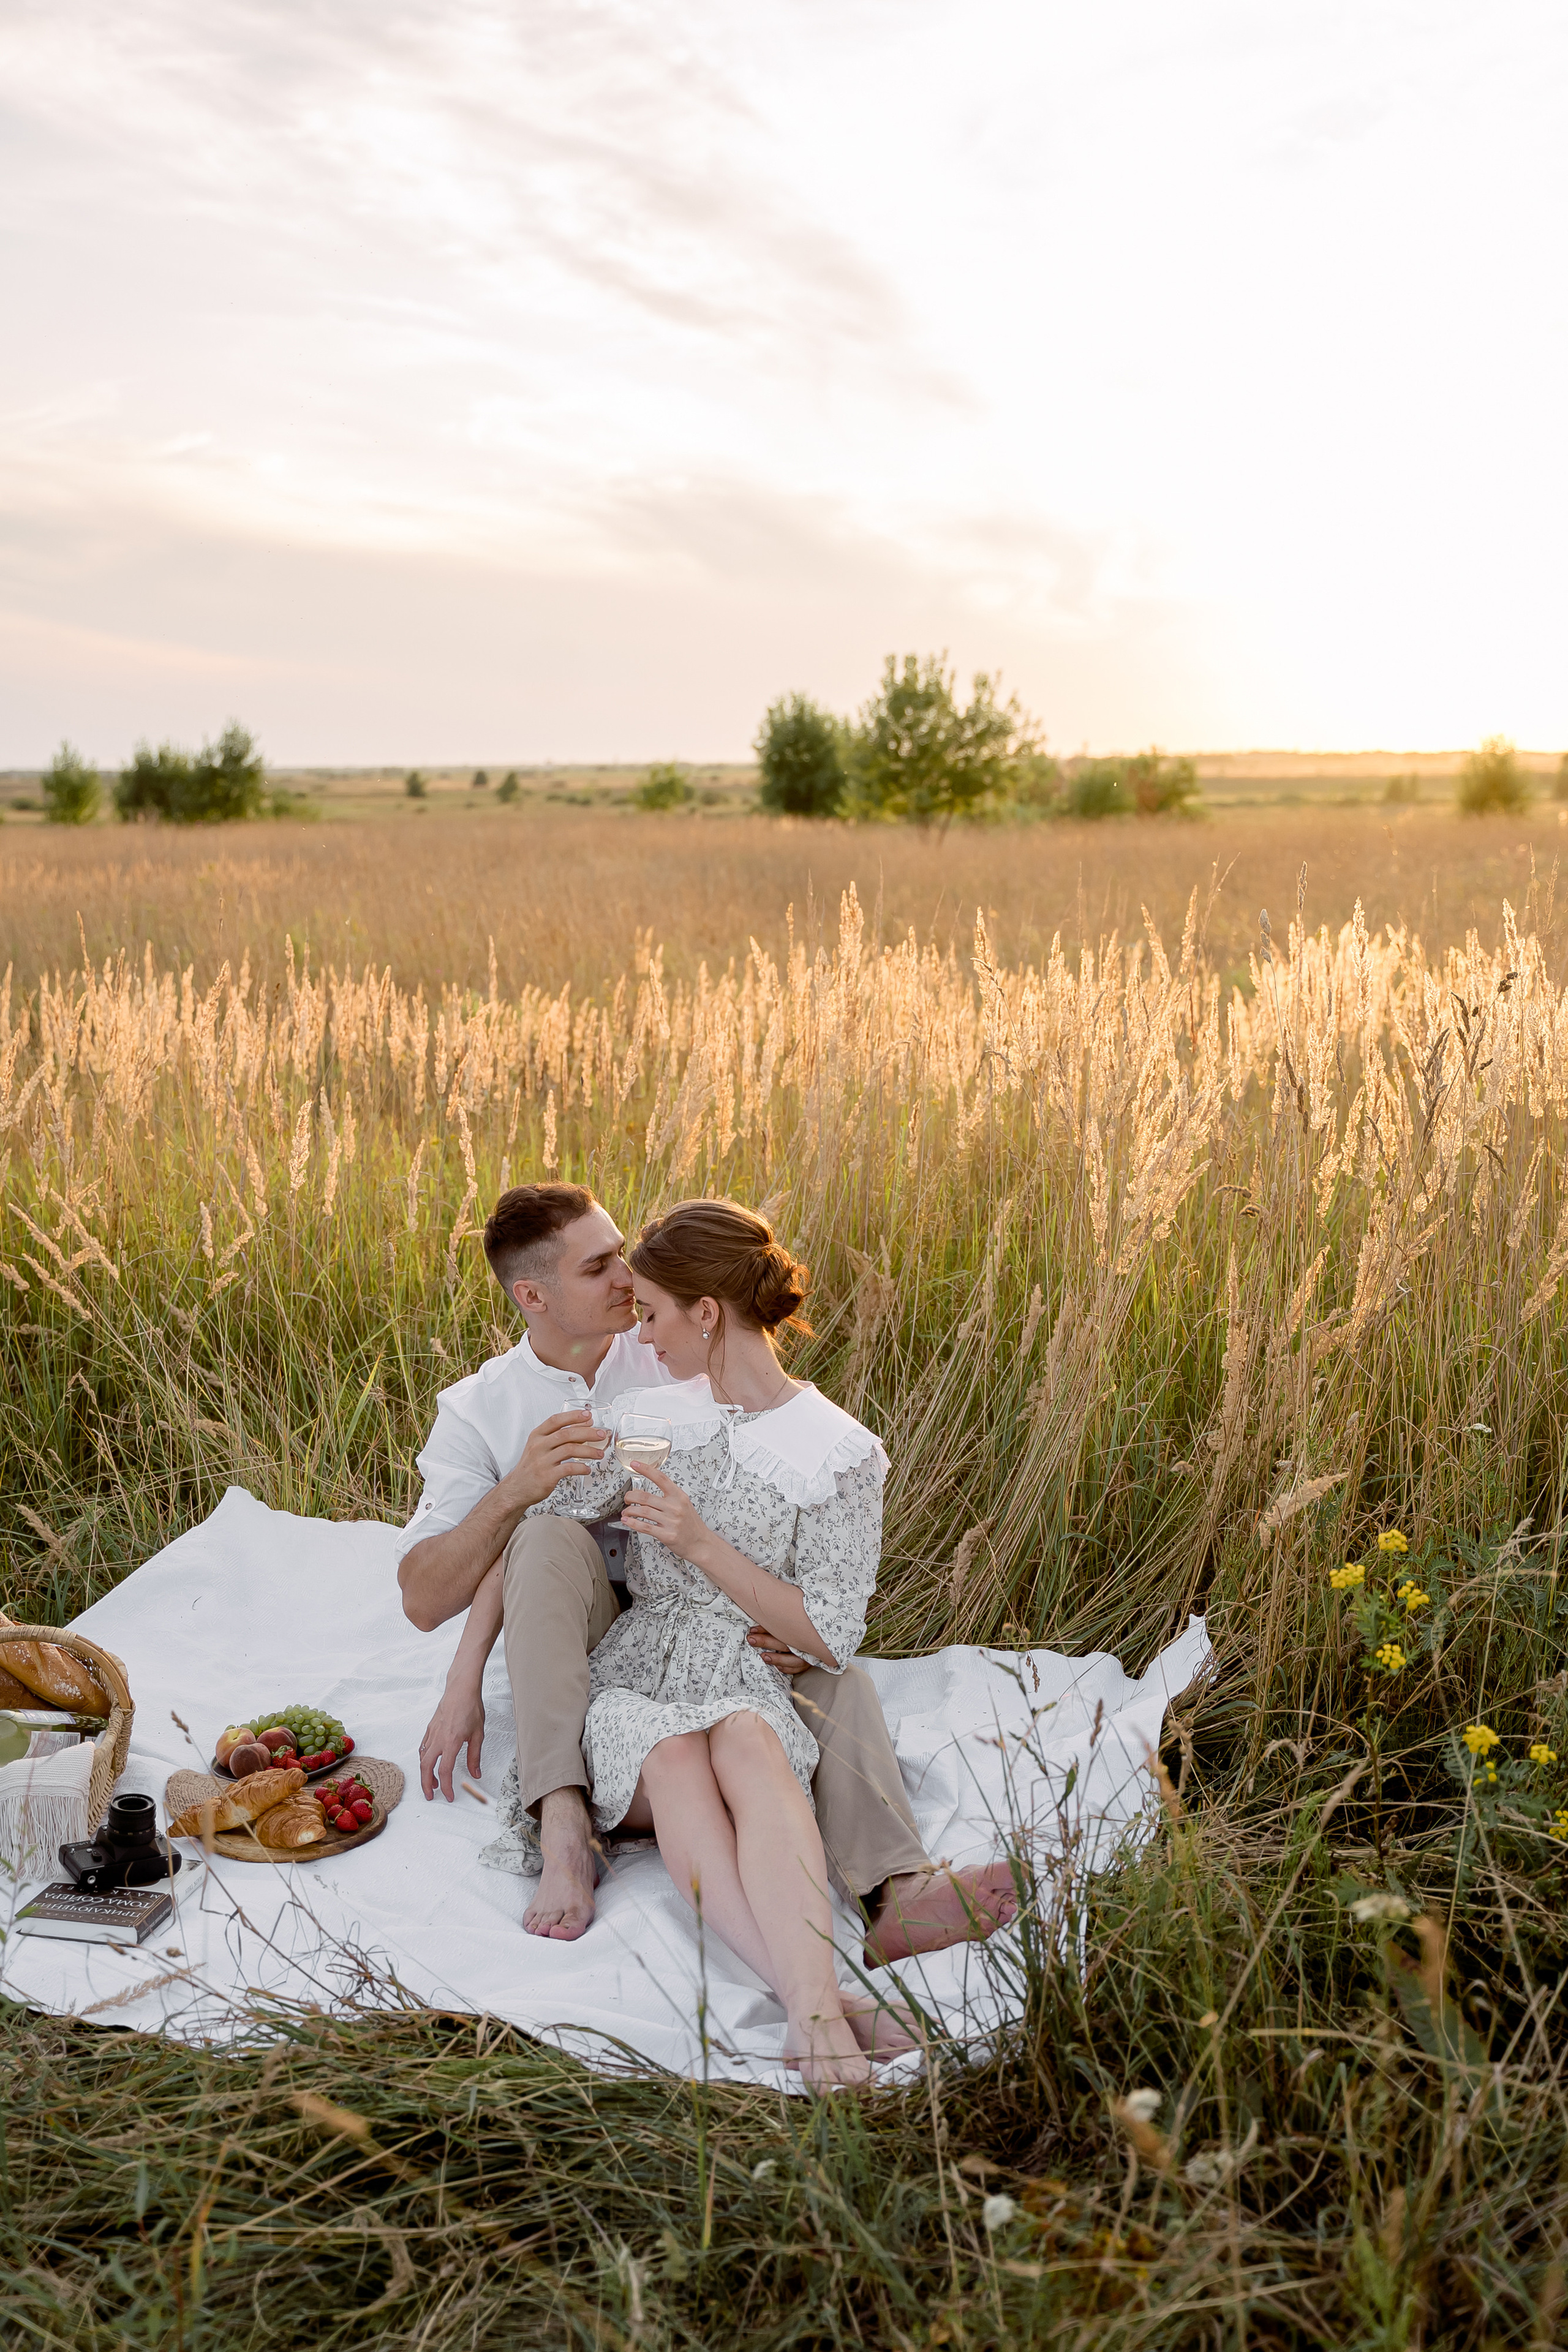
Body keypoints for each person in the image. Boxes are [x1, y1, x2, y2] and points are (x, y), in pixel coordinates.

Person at [396, 1183, 1017, 1966]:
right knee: (545, 1532)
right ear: (534, 1296)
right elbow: (435, 1587)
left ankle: (895, 1890)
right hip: (590, 1618)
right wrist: (466, 1672)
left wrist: (794, 1624)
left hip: (722, 1616)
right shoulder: (487, 1406)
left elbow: (789, 1485)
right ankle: (560, 1816)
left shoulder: (675, 1358)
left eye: (629, 1264)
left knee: (841, 1677)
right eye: (601, 1268)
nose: (627, 1283)